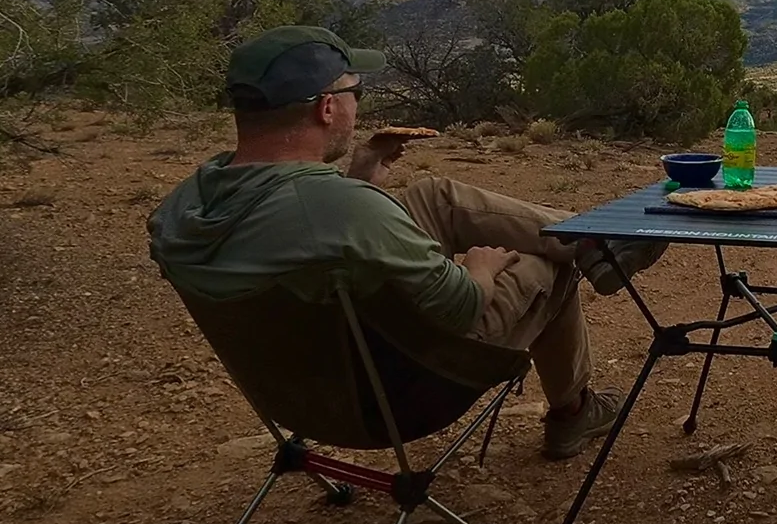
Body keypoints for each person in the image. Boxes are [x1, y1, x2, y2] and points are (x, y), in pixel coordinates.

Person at [147, 25, 666, 460]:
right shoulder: (338, 208)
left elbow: (305, 230)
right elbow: (461, 306)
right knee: (542, 263)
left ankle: (593, 241)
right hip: (400, 390)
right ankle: (573, 404)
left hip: (297, 391)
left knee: (433, 196)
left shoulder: (185, 204)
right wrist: (481, 269)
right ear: (326, 108)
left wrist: (362, 175)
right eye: (355, 93)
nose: (356, 106)